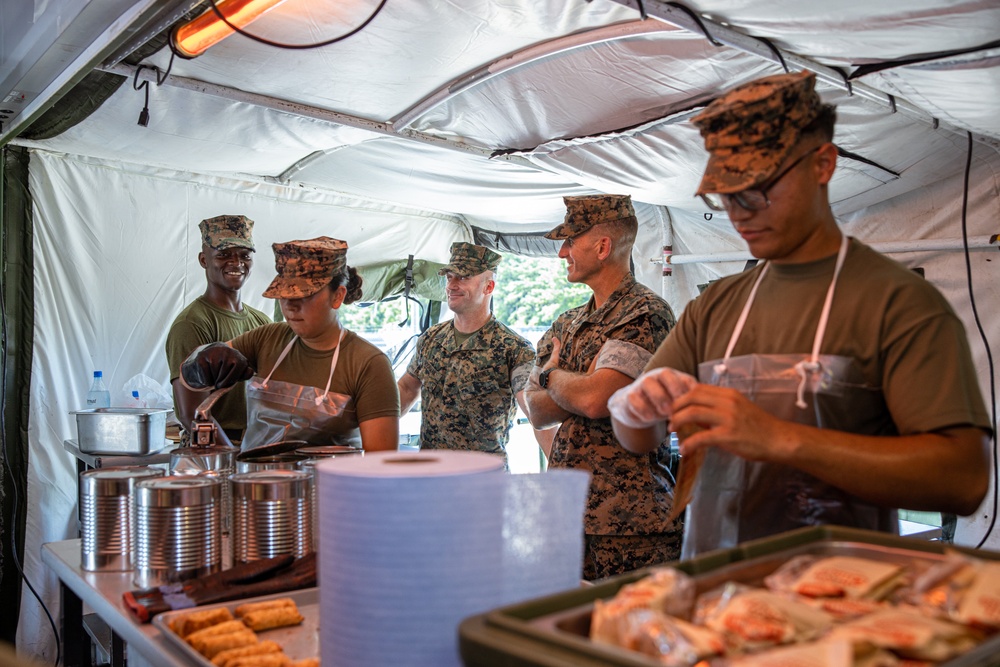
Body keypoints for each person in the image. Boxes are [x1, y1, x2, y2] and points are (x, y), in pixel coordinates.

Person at [609, 71, 991, 558]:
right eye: (726, 195)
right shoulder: (716, 305)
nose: (739, 212)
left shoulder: (898, 303)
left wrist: (780, 439)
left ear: (823, 164)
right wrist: (634, 407)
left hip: (839, 595)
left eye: (759, 188)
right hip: (718, 587)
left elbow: (962, 480)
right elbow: (639, 437)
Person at [524, 194, 679, 580]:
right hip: (568, 515)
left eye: (570, 241)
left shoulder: (644, 312)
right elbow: (537, 410)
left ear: (603, 246)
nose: (562, 252)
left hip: (630, 523)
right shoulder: (568, 321)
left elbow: (595, 401)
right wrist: (575, 384)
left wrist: (552, 376)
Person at [178, 236, 400, 452]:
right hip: (257, 484)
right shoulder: (267, 339)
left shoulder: (368, 365)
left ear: (337, 296)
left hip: (330, 488)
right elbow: (188, 380)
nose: (290, 306)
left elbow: (380, 463)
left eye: (304, 295)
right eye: (284, 294)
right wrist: (201, 362)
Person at [397, 242, 538, 467]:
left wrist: (557, 469)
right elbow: (406, 388)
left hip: (481, 482)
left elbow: (535, 410)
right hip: (430, 476)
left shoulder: (513, 348)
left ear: (488, 287)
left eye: (462, 278)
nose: (452, 285)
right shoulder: (432, 338)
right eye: (449, 276)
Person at [166, 214, 270, 443]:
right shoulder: (193, 323)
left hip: (255, 446)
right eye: (223, 255)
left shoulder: (262, 323)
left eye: (244, 255)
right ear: (204, 260)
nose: (236, 263)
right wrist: (230, 457)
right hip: (214, 450)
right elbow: (192, 415)